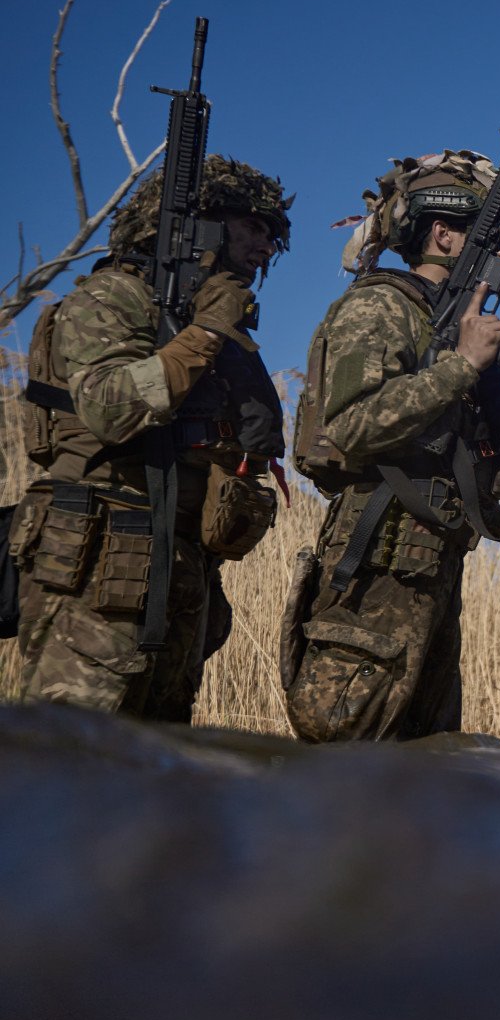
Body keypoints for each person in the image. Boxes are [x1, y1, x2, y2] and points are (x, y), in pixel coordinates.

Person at [280, 150, 500, 742]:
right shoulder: (378, 306)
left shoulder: (452, 320)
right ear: (442, 234)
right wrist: (461, 365)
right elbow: (355, 425)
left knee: (428, 756)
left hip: (431, 554)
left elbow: (450, 451)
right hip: (379, 549)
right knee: (346, 743)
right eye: (492, 238)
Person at [6, 157, 292, 719]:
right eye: (254, 227)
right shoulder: (116, 295)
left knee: (157, 771)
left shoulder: (203, 320)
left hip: (178, 565)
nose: (265, 247)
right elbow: (111, 410)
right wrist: (207, 331)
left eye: (271, 235)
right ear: (203, 223)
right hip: (98, 558)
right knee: (73, 758)